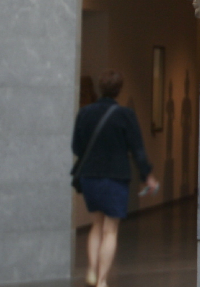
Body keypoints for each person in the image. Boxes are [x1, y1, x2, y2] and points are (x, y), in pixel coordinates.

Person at [71, 70, 158, 287]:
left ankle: (92, 268)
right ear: (119, 90)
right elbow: (137, 149)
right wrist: (147, 175)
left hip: (90, 176)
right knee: (110, 230)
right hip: (115, 177)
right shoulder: (125, 115)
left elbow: (76, 146)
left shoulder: (85, 113)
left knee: (96, 226)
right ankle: (101, 281)